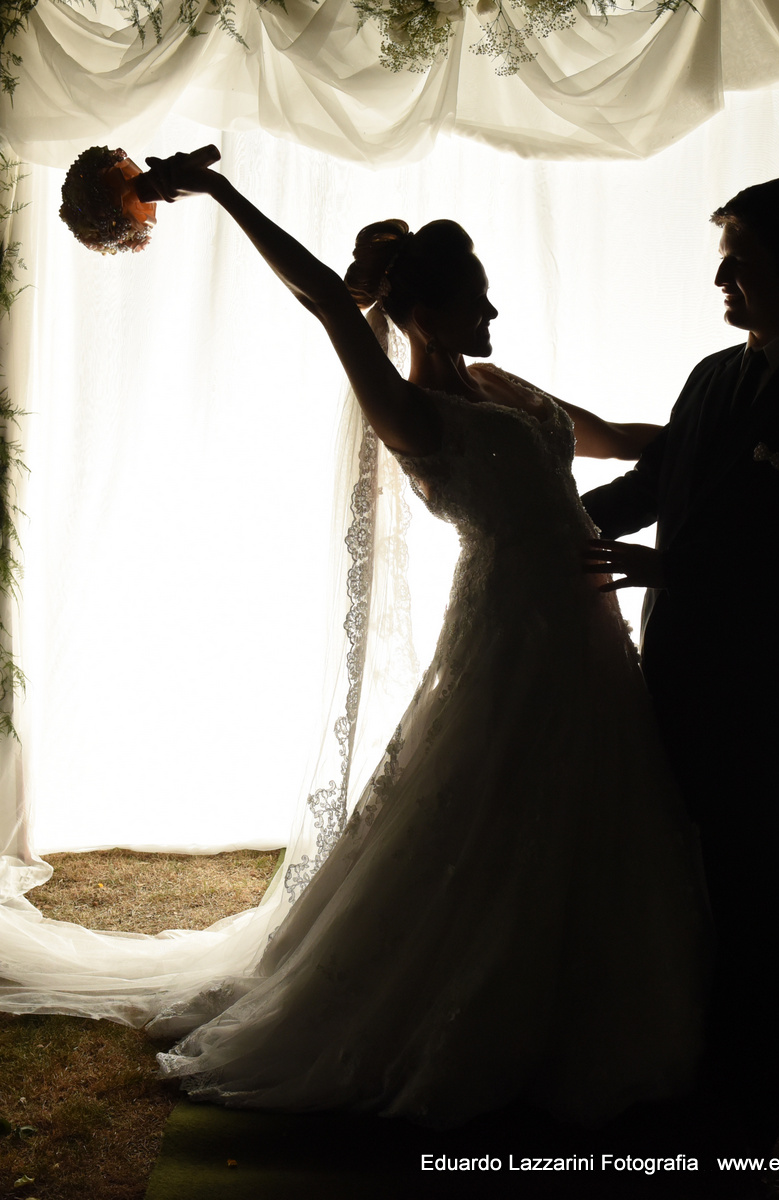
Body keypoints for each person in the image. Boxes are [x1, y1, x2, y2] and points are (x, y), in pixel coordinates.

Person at [141, 152, 712, 1128]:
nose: (492, 314)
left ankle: (580, 1003)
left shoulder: (503, 384)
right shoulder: (406, 409)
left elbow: (618, 438)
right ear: (426, 313)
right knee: (494, 815)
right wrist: (225, 192)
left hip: (588, 632)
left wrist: (726, 434)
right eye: (477, 299)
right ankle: (467, 1013)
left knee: (594, 809)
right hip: (508, 636)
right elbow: (324, 298)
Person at [582, 178, 779, 1161]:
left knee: (752, 871)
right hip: (668, 658)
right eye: (721, 257)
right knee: (680, 862)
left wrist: (680, 565)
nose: (720, 277)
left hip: (758, 678)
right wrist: (540, 526)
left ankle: (749, 1097)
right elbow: (655, 485)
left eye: (741, 260)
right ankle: (704, 1037)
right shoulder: (712, 375)